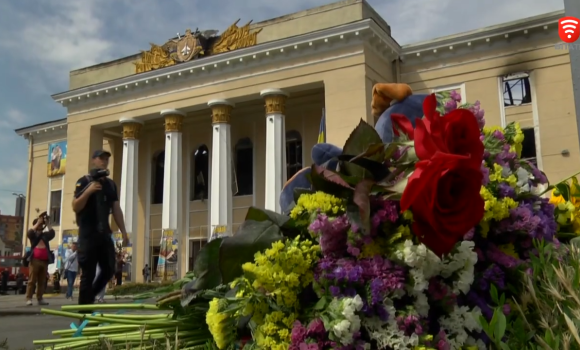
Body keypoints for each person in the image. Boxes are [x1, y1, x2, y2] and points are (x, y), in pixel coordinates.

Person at [72, 150, 129, 306]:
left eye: (106, 159)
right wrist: (88, 191)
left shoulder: (110, 185)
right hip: (88, 235)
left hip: (104, 234)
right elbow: (76, 206)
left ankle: (89, 297)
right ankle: (84, 311)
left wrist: (123, 231)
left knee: (110, 268)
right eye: (101, 159)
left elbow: (116, 209)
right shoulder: (84, 181)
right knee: (88, 274)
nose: (104, 161)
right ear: (93, 161)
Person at [25, 214, 55, 306]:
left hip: (44, 261)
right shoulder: (33, 236)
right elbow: (29, 232)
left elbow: (52, 233)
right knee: (32, 280)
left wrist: (48, 223)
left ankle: (40, 298)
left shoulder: (45, 235)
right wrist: (37, 222)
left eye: (41, 225)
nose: (40, 227)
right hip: (35, 260)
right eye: (39, 225)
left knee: (42, 281)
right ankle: (29, 298)